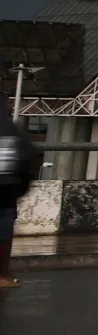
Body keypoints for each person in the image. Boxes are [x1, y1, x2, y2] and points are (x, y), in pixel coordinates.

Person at [0, 101, 41, 290]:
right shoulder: (10, 129)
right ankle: (2, 275)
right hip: (5, 189)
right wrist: (21, 187)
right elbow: (28, 156)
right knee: (3, 233)